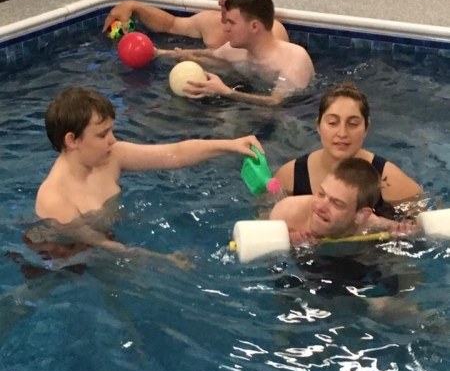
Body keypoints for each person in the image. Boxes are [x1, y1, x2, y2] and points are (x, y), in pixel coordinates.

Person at [33, 86, 264, 256]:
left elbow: (175, 154)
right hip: (69, 258)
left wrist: (231, 145)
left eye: (111, 131)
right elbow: (105, 248)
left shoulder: (111, 157)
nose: (113, 140)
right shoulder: (55, 199)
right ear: (72, 140)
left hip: (108, 238)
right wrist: (164, 260)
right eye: (102, 135)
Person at [274, 82, 422, 217]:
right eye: (332, 123)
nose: (342, 133)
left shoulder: (390, 182)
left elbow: (423, 221)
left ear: (366, 128)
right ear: (318, 126)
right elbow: (269, 223)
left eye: (353, 124)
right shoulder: (290, 177)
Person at [157, 0, 315, 107]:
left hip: (293, 113)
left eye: (231, 23)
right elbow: (209, 54)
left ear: (254, 26)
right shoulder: (236, 50)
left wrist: (226, 92)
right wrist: (160, 53)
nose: (226, 29)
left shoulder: (294, 58)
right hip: (249, 103)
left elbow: (276, 102)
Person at [102, 0, 289, 48]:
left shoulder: (273, 31)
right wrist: (133, 5)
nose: (220, 2)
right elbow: (170, 24)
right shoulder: (211, 21)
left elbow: (242, 61)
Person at [270, 157, 416, 245]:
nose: (320, 206)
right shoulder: (286, 214)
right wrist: (287, 241)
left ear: (361, 215)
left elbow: (412, 230)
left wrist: (403, 234)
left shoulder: (373, 226)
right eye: (321, 194)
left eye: (337, 203)